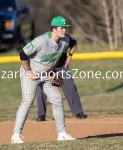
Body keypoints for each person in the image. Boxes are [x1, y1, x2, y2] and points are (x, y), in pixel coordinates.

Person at [11, 16, 77, 144]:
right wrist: (28, 72)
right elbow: (23, 54)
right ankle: (16, 135)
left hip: (47, 74)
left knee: (57, 100)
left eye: (65, 28)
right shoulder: (41, 41)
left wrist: (69, 57)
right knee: (27, 101)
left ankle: (62, 134)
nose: (64, 30)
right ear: (53, 29)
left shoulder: (65, 40)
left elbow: (74, 43)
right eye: (61, 28)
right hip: (32, 73)